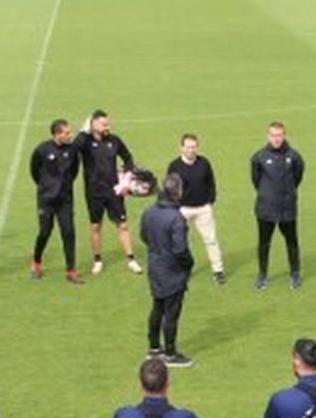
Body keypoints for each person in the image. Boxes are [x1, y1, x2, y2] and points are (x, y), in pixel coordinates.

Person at [75, 110, 142, 275]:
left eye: (108, 123)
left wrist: (126, 177)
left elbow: (128, 158)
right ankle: (97, 260)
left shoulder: (114, 140)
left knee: (123, 225)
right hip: (94, 193)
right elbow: (74, 148)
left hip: (114, 191)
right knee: (96, 226)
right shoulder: (85, 142)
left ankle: (131, 259)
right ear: (94, 124)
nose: (108, 126)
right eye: (104, 124)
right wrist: (84, 131)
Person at [140, 174, 195, 367]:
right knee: (171, 313)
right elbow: (180, 249)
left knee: (157, 308)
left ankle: (154, 348)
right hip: (172, 270)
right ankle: (170, 353)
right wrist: (188, 264)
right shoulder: (176, 218)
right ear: (178, 192)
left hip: (155, 266)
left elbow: (144, 236)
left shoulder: (148, 212)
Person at [251, 120, 304, 289]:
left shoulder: (294, 156)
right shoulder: (259, 157)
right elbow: (256, 180)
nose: (276, 139)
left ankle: (295, 274)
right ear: (268, 136)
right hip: (266, 209)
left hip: (287, 208)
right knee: (264, 243)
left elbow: (298, 176)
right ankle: (262, 275)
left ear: (284, 135)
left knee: (292, 242)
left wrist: (288, 193)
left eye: (279, 135)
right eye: (273, 135)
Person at [167, 132, 225, 285]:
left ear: (197, 147)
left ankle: (218, 270)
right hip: (183, 210)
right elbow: (170, 188)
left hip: (203, 208)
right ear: (181, 147)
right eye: (188, 147)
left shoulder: (204, 163)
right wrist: (175, 207)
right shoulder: (174, 166)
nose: (191, 150)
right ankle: (183, 270)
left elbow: (211, 182)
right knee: (181, 242)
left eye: (193, 147)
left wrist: (210, 200)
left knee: (211, 240)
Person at [30, 118, 82, 282]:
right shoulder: (42, 149)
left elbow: (74, 170)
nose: (70, 135)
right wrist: (46, 186)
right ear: (57, 134)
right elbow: (34, 171)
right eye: (66, 133)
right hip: (46, 199)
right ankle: (36, 262)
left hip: (65, 199)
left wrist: (64, 186)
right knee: (45, 232)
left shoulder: (73, 150)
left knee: (69, 233)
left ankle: (71, 270)